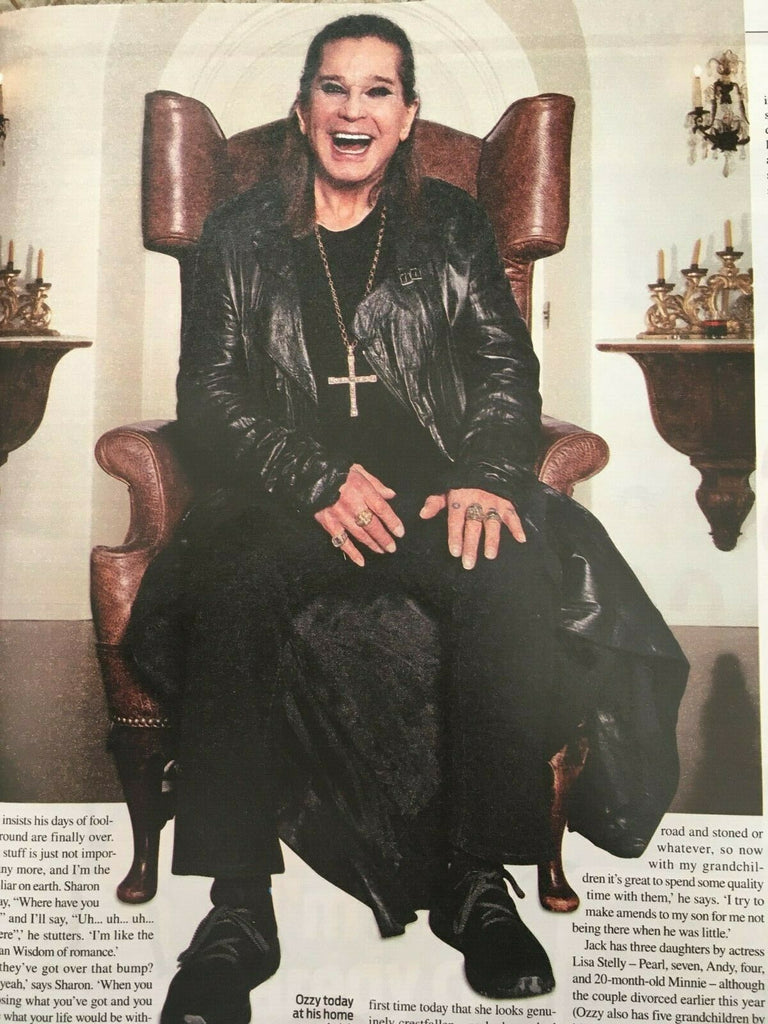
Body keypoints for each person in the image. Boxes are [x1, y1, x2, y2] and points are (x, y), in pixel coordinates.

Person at [127, 15, 688, 1024]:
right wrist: (311, 476)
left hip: (432, 489)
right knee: (230, 587)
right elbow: (206, 396)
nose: (354, 111)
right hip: (281, 493)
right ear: (304, 110)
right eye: (334, 88)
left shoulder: (452, 225)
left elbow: (506, 372)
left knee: (506, 571)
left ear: (408, 114)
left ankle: (478, 882)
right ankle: (238, 911)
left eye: (377, 90)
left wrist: (483, 475)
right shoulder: (238, 232)